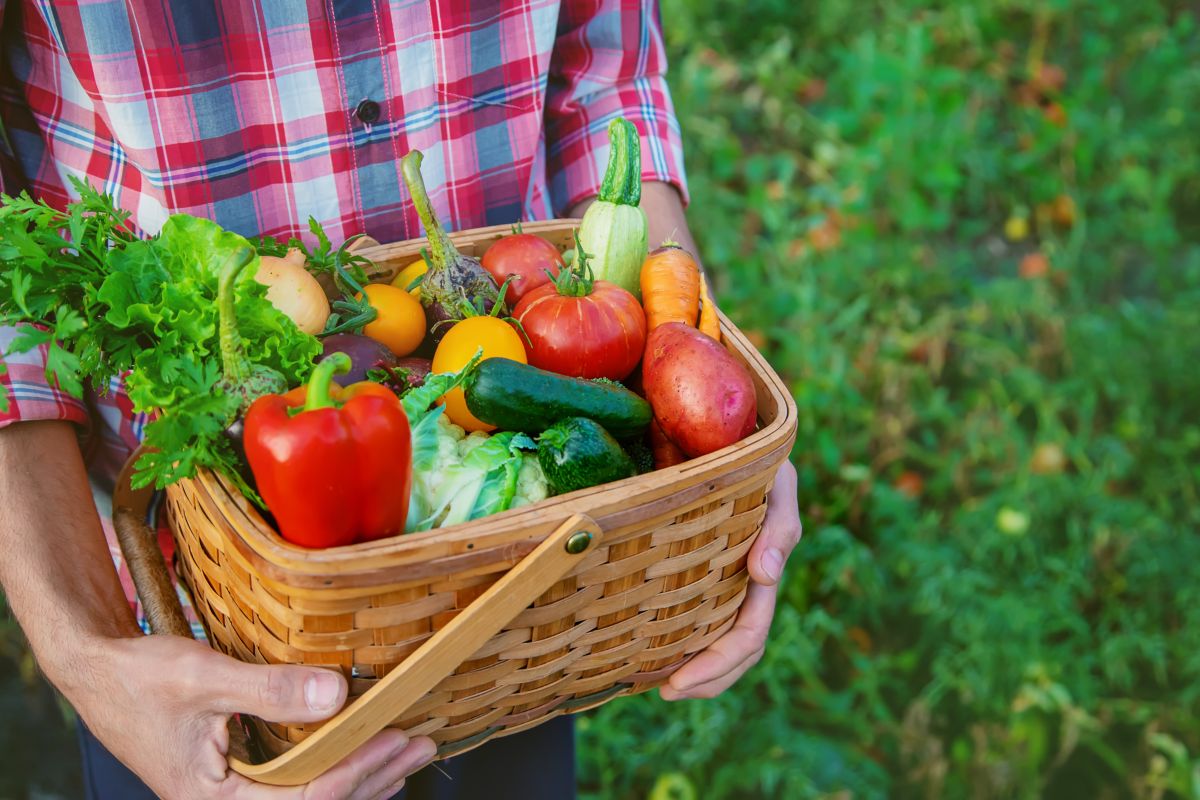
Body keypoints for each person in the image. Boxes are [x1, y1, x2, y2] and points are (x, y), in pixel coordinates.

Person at [0, 1, 803, 798]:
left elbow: (604, 76)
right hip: (194, 652)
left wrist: (710, 424)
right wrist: (86, 655)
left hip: (530, 594)